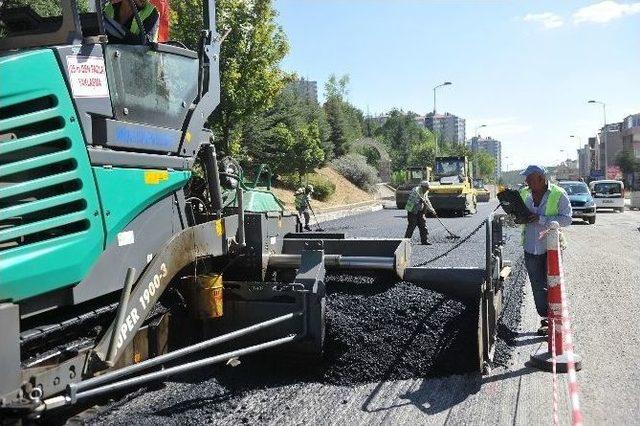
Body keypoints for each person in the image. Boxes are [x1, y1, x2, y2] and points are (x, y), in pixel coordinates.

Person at [519, 165, 572, 335]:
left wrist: (542, 219)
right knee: (536, 285)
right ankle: (545, 318)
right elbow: (522, 216)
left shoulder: (558, 194)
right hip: (530, 247)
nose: (526, 182)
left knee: (552, 284)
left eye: (529, 178)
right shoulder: (525, 194)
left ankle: (554, 319)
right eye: (526, 178)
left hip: (551, 248)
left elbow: (567, 219)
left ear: (541, 178)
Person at [404, 180, 436, 245]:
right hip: (412, 211)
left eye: (428, 188)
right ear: (422, 187)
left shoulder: (425, 192)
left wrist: (432, 210)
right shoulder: (416, 190)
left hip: (420, 211)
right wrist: (420, 200)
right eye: (426, 188)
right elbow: (413, 200)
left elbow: (427, 201)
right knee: (412, 226)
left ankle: (424, 241)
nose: (427, 190)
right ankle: (405, 242)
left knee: (423, 226)